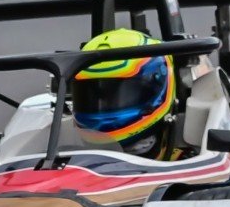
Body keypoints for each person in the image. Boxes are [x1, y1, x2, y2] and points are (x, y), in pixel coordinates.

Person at [71, 27, 184, 160]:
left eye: (117, 94)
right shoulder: (69, 162)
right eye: (92, 94)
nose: (104, 105)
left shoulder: (190, 167)